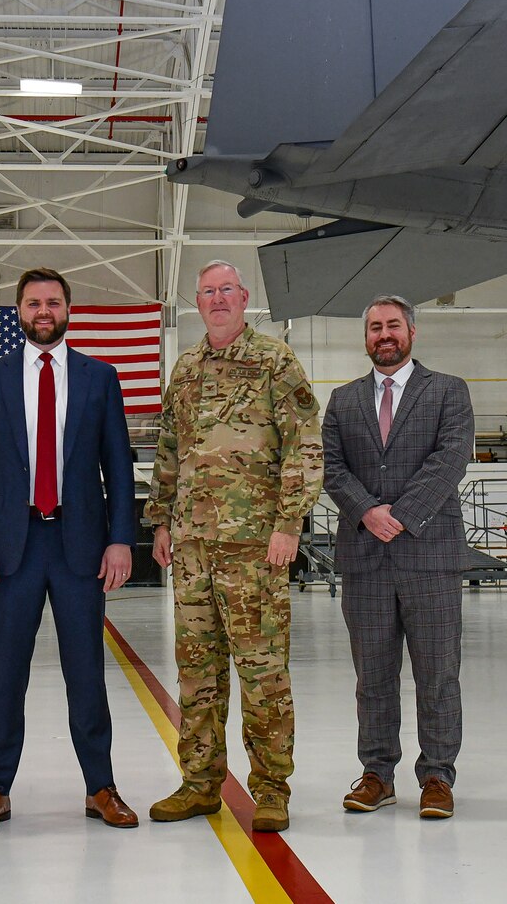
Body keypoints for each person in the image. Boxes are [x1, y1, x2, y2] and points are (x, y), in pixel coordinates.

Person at [0, 267, 140, 833]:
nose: (43, 311)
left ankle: (100, 786)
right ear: (18, 310)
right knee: (4, 674)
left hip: (78, 543)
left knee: (86, 671)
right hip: (12, 547)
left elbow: (119, 468)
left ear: (68, 309)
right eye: (33, 302)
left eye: (53, 302)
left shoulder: (99, 378)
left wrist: (119, 539)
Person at [145, 261, 321, 833]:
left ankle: (271, 788)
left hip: (254, 548)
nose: (218, 300)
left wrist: (289, 524)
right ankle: (199, 784)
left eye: (227, 291)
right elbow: (170, 448)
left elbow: (305, 446)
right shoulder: (187, 367)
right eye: (208, 293)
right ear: (197, 303)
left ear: (244, 299)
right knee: (196, 672)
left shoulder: (275, 360)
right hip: (193, 547)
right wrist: (161, 520)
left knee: (262, 669)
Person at [321, 295, 475, 821]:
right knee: (373, 677)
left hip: (429, 555)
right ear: (365, 338)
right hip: (366, 558)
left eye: (392, 326)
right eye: (374, 328)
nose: (383, 335)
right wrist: (368, 513)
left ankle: (437, 776)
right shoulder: (342, 401)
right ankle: (377, 774)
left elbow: (451, 456)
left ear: (411, 332)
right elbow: (333, 468)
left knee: (437, 673)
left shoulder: (448, 391)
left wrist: (402, 514)